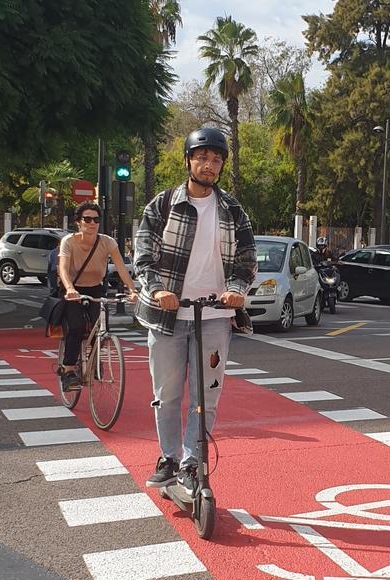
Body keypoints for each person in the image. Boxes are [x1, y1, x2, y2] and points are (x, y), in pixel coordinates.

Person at [137, 127, 257, 491]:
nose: (209, 165)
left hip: (215, 316)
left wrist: (236, 291)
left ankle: (192, 462)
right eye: (202, 157)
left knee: (207, 395)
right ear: (188, 160)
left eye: (216, 159)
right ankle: (169, 457)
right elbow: (144, 256)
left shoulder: (233, 210)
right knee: (167, 395)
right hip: (167, 315)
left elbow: (247, 261)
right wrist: (158, 290)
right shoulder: (161, 205)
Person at [57, 201, 136, 392]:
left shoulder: (107, 242)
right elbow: (63, 268)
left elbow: (121, 268)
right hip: (74, 289)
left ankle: (94, 360)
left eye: (96, 220)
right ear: (78, 222)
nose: (92, 223)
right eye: (87, 219)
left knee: (100, 327)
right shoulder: (69, 241)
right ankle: (68, 370)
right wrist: (69, 288)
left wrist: (132, 289)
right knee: (75, 327)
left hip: (96, 288)